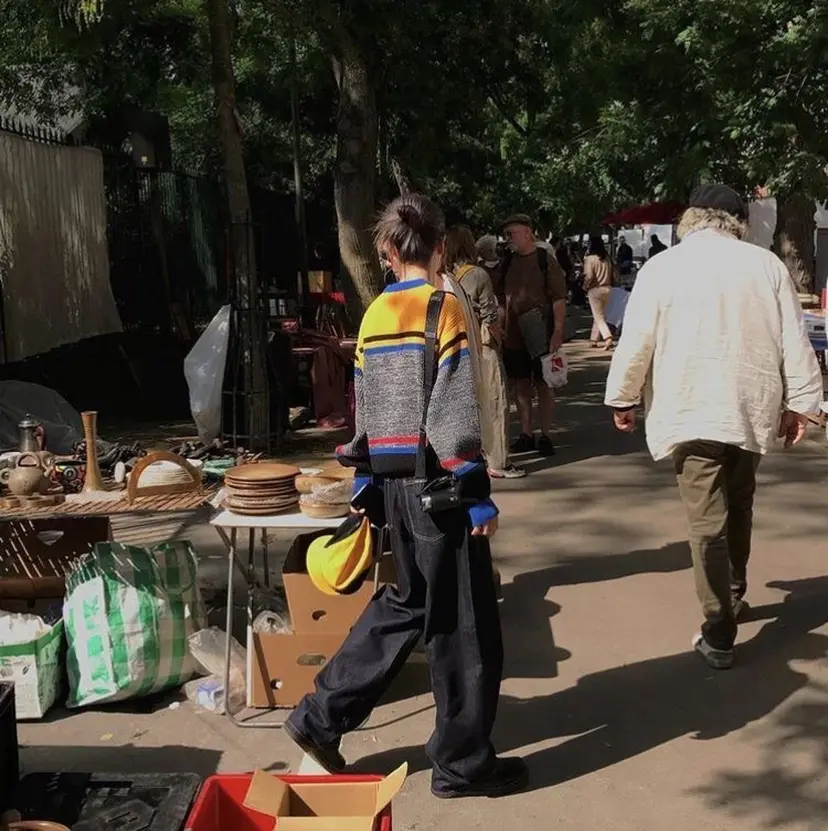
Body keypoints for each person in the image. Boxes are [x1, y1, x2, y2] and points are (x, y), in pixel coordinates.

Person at [285, 194, 528, 799]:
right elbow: (451, 411)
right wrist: (476, 493)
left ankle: (319, 718)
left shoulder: (371, 316)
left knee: (409, 603)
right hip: (439, 483)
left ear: (388, 252)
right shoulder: (445, 307)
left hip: (394, 484)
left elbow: (361, 408)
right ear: (440, 247)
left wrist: (365, 481)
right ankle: (462, 764)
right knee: (465, 624)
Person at [604, 184, 822, 670]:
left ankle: (719, 628)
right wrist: (803, 403)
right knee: (739, 503)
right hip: (749, 406)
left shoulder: (663, 267)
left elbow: (637, 338)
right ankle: (734, 592)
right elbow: (794, 335)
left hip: (690, 407)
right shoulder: (766, 265)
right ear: (737, 222)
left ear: (691, 219)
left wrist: (622, 396)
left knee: (707, 523)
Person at [446, 226, 525, 479]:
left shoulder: (446, 277)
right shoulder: (478, 275)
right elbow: (490, 315)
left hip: (457, 342)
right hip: (483, 342)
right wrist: (499, 339)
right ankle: (499, 461)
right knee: (496, 400)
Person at [500, 214, 568, 456]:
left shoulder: (544, 259)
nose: (508, 239)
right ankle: (526, 434)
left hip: (542, 333)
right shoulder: (506, 262)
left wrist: (558, 332)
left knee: (544, 384)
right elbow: (500, 299)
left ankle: (546, 435)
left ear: (528, 233)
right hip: (514, 336)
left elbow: (559, 298)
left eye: (512, 233)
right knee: (520, 385)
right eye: (506, 234)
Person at [583, 235, 614, 349]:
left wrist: (585, 286)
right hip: (608, 288)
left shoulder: (589, 259)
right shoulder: (607, 258)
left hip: (595, 289)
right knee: (600, 315)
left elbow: (589, 276)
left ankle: (607, 337)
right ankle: (593, 339)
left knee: (598, 317)